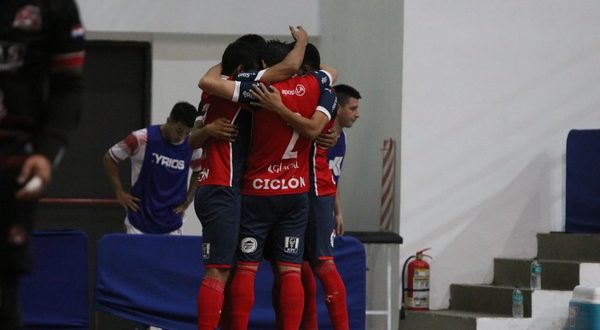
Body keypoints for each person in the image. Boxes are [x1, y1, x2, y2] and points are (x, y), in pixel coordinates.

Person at [199, 38, 337, 329]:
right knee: (293, 269)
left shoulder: (257, 92)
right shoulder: (317, 88)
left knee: (239, 270)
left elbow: (207, 83)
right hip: (292, 192)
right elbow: (327, 80)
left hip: (251, 189)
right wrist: (301, 43)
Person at [0, 0, 85, 328]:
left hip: (12, 163)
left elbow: (68, 86)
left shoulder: (55, 8)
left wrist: (46, 153)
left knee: (5, 290)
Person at [300, 84, 362, 330]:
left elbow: (333, 178)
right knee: (302, 268)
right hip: (308, 202)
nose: (357, 114)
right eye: (353, 108)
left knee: (320, 265)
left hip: (321, 203)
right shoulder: (317, 134)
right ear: (337, 109)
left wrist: (338, 210)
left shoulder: (341, 138)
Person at [103, 102, 200, 235]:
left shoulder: (192, 144)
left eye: (187, 133)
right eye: (179, 130)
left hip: (172, 224)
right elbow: (110, 158)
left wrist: (189, 199)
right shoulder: (140, 139)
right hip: (138, 222)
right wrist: (119, 192)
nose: (181, 137)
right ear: (169, 120)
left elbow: (198, 170)